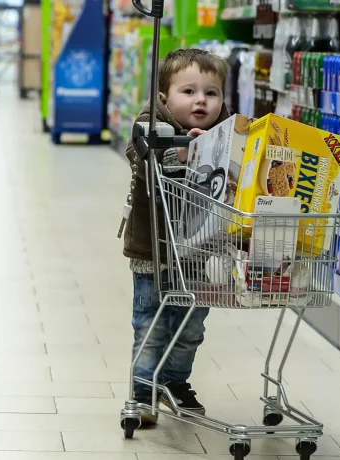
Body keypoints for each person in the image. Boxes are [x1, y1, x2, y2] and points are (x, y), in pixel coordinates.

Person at [121, 48, 230, 425]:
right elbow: (148, 172)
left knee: (190, 326)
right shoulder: (148, 131)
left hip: (201, 253)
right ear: (164, 98)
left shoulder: (228, 134)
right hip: (153, 250)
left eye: (211, 93)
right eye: (189, 91)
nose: (201, 100)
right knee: (151, 324)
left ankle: (175, 382)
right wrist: (185, 155)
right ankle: (142, 390)